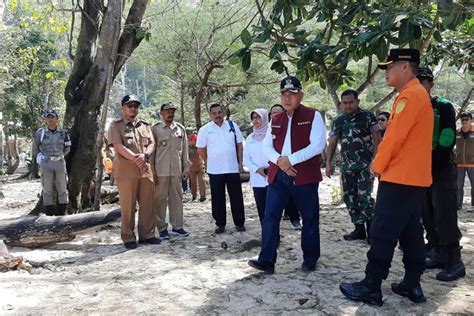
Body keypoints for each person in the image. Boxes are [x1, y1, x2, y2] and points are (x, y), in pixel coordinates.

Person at [339, 49, 433, 306]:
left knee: (382, 232)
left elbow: (394, 137)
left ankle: (371, 285)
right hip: (415, 179)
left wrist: (377, 165)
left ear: (405, 67)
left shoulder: (410, 96)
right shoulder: (417, 94)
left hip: (399, 178)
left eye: (390, 67)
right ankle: (412, 284)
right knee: (412, 231)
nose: (386, 72)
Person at [248, 76, 326, 274]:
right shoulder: (276, 119)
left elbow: (318, 145)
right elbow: (267, 147)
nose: (287, 98)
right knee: (270, 217)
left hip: (304, 175)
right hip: (278, 176)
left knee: (309, 218)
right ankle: (266, 260)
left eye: (292, 94)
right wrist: (281, 162)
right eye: (284, 94)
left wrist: (291, 160)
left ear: (300, 95)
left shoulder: (313, 115)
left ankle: (310, 259)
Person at [418, 67, 465, 281]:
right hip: (419, 171)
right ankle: (438, 252)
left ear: (431, 83)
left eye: (423, 80)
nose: (420, 84)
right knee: (427, 213)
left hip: (441, 168)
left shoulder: (442, 106)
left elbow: (447, 136)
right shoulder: (411, 106)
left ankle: (455, 262)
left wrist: (433, 159)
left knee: (445, 213)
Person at [326, 90, 380, 243]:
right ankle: (359, 229)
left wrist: (376, 160)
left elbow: (377, 139)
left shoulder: (368, 116)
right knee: (349, 197)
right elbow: (333, 142)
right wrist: (329, 163)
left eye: (351, 102)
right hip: (347, 166)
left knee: (365, 197)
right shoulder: (338, 121)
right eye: (345, 103)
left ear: (358, 101)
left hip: (365, 165)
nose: (348, 105)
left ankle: (372, 230)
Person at [108, 94, 160, 249]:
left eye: (135, 106)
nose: (133, 108)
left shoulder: (145, 125)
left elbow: (152, 143)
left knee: (148, 205)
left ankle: (147, 235)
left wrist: (145, 155)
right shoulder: (115, 125)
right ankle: (128, 237)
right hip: (126, 172)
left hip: (145, 170)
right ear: (123, 108)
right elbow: (117, 145)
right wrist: (135, 158)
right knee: (128, 206)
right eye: (129, 105)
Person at [196, 103, 246, 234]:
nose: (217, 115)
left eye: (219, 112)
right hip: (215, 169)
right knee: (217, 198)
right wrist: (207, 161)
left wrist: (240, 163)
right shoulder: (205, 129)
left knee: (236, 196)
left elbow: (239, 145)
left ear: (223, 112)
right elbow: (200, 149)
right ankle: (220, 224)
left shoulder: (232, 126)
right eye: (214, 113)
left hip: (232, 168)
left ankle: (239, 223)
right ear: (210, 115)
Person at [152, 102, 190, 240]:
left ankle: (177, 226)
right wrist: (152, 172)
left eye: (172, 111)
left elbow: (184, 150)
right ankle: (161, 228)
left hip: (176, 171)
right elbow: (151, 153)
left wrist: (186, 168)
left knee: (177, 199)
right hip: (160, 171)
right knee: (160, 200)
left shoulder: (180, 129)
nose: (170, 113)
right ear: (161, 113)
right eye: (167, 111)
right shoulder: (155, 129)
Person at [268, 104, 302, 230]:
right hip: (271, 170)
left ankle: (294, 218)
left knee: (290, 196)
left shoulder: (292, 128)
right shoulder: (266, 130)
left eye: (279, 112)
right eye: (273, 113)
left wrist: (284, 164)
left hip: (289, 168)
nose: (276, 115)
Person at [32, 110, 71, 216]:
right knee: (47, 188)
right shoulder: (40, 133)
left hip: (59, 163)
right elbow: (35, 148)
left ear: (57, 118)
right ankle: (49, 214)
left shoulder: (63, 133)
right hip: (46, 163)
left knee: (62, 188)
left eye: (52, 117)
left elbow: (67, 147)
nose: (50, 119)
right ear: (45, 119)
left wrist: (60, 155)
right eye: (48, 117)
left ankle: (62, 213)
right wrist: (40, 158)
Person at [243, 108, 270, 224]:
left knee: (273, 209)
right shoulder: (250, 138)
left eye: (258, 117)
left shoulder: (272, 134)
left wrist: (269, 169)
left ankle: (275, 235)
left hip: (272, 177)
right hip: (257, 178)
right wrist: (257, 169)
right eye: (253, 118)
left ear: (265, 118)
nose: (255, 120)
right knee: (261, 208)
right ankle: (266, 234)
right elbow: (246, 158)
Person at [456, 111, 474, 209]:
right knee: (458, 186)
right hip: (459, 164)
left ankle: (473, 205)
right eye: (462, 119)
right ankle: (458, 205)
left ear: (471, 120)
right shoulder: (457, 132)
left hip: (473, 164)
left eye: (466, 119)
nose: (464, 121)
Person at [188, 133, 206, 202]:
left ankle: (203, 196)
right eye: (194, 140)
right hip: (192, 168)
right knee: (193, 183)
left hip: (200, 167)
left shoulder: (200, 146)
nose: (195, 141)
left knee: (202, 181)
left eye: (196, 139)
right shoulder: (189, 148)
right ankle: (194, 195)